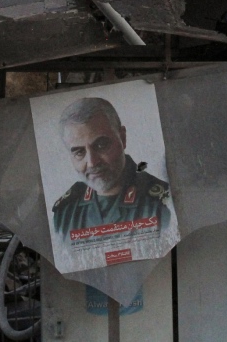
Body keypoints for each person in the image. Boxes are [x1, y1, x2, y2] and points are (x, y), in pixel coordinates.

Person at [51, 97, 172, 239]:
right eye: (79, 152)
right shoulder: (65, 213)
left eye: (101, 145)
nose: (92, 162)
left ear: (123, 138)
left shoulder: (164, 205)